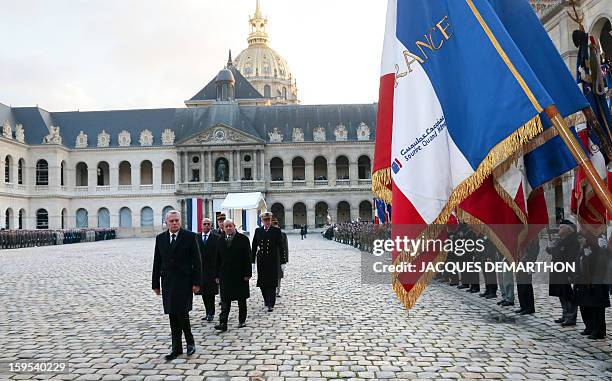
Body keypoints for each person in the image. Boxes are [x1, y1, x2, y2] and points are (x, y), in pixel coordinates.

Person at [152, 210, 202, 361]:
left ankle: (190, 341)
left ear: (181, 221)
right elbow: (157, 262)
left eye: (177, 220)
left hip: (184, 281)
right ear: (166, 222)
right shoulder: (160, 238)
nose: (174, 223)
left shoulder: (190, 236)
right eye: (171, 221)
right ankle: (176, 348)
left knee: (182, 313)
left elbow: (197, 261)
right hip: (167, 282)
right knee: (172, 315)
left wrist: (197, 282)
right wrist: (155, 284)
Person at [215, 219, 252, 332]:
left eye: (230, 226)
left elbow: (248, 257)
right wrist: (216, 275)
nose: (228, 228)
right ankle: (223, 322)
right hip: (225, 275)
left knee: (241, 299)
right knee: (225, 300)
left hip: (240, 274)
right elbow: (217, 259)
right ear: (223, 228)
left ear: (234, 226)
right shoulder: (220, 240)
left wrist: (248, 273)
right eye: (226, 226)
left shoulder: (243, 239)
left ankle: (242, 320)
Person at [575, 229, 610, 339]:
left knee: (597, 308)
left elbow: (601, 264)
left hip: (597, 281)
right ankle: (589, 327)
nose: (580, 240)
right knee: (586, 306)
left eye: (582, 238)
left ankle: (598, 331)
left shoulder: (597, 248)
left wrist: (602, 249)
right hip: (584, 281)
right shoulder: (583, 249)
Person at [547, 219, 579, 327]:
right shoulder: (560, 240)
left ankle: (571, 317)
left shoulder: (573, 241)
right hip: (558, 271)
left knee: (568, 295)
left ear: (569, 230)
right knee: (561, 293)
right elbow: (551, 251)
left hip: (566, 271)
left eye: (561, 227)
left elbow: (569, 257)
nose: (559, 229)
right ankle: (565, 314)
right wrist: (550, 247)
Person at [252, 211, 285, 312]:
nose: (266, 222)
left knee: (272, 282)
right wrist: (252, 261)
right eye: (265, 220)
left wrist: (283, 262)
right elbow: (253, 246)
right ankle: (266, 300)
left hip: (272, 260)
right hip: (261, 260)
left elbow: (281, 247)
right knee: (262, 283)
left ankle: (271, 303)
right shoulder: (258, 231)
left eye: (268, 220)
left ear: (270, 220)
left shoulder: (276, 231)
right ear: (262, 221)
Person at [196, 218, 220, 322]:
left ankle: (211, 313)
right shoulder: (196, 237)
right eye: (204, 224)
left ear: (211, 226)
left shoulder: (216, 238)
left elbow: (219, 256)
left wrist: (218, 274)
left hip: (212, 270)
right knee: (203, 293)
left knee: (210, 294)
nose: (206, 226)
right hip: (200, 270)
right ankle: (207, 312)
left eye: (208, 224)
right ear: (201, 225)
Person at [515, 237, 539, 315]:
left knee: (526, 286)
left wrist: (529, 261)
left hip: (527, 263)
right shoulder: (520, 236)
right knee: (520, 285)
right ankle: (523, 306)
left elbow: (535, 251)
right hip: (519, 262)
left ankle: (529, 308)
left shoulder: (533, 237)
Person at [272, 218, 288, 298]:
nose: (275, 226)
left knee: (279, 276)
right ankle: (273, 290)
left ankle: (277, 291)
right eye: (273, 225)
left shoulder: (283, 234)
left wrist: (285, 260)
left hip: (279, 258)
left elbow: (285, 247)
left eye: (275, 225)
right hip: (272, 258)